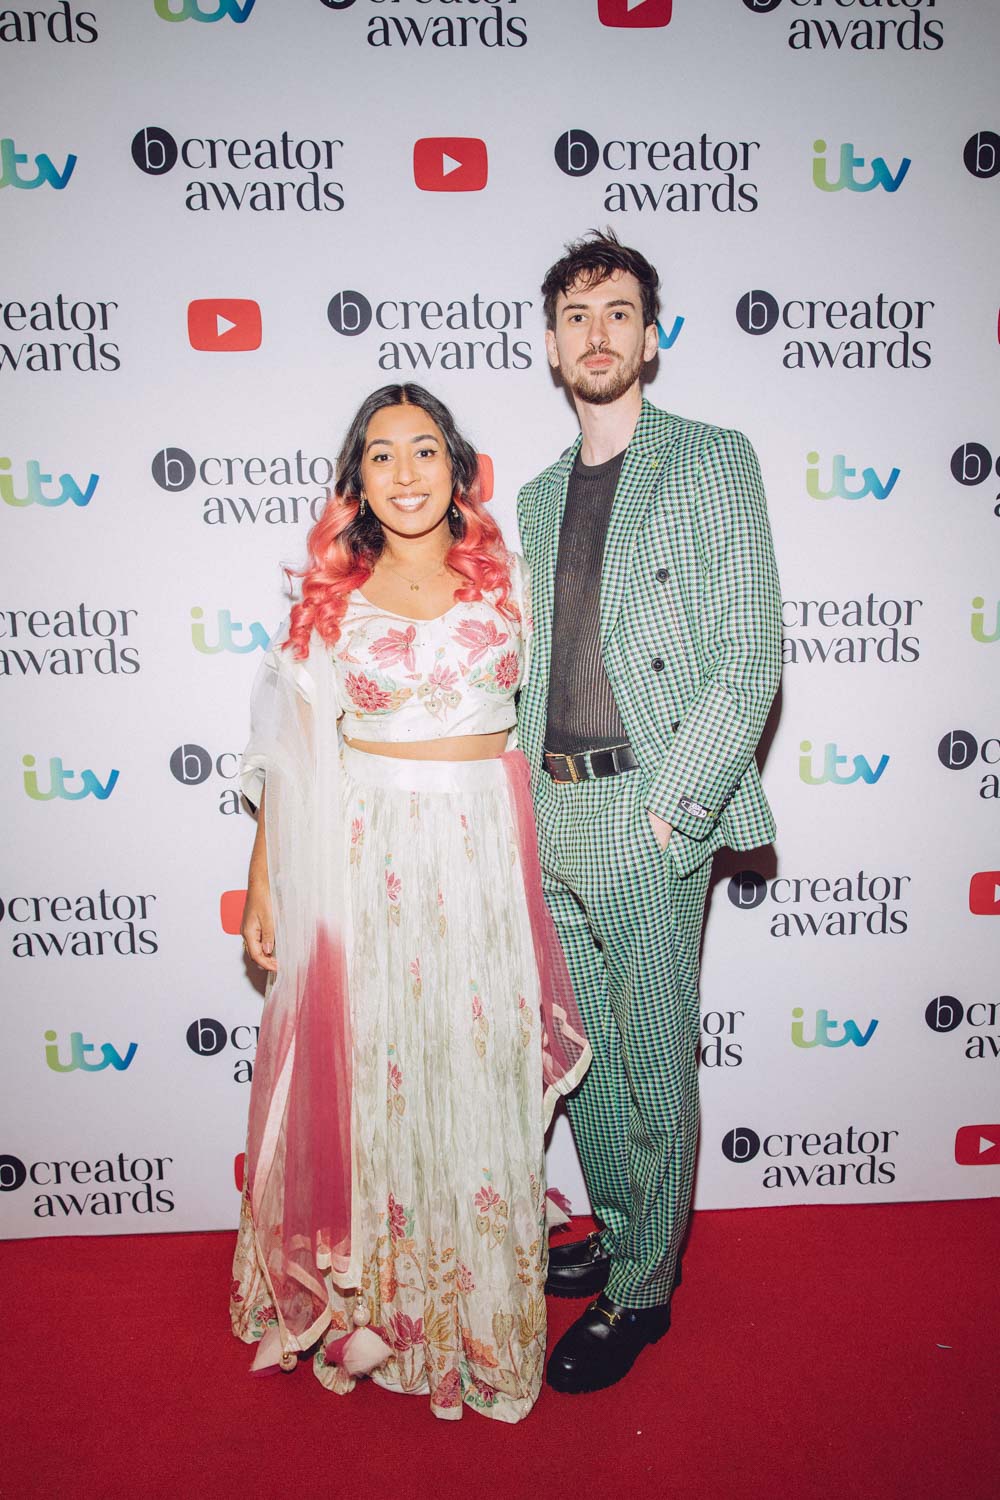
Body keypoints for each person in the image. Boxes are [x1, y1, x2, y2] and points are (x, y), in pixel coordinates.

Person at [229, 383, 589, 1424]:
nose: (404, 472)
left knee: (475, 1072)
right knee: (383, 1077)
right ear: (356, 482)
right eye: (380, 455)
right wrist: (264, 886)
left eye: (423, 450)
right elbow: (290, 765)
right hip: (372, 857)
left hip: (482, 850)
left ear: (456, 464)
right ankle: (385, 1304)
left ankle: (479, 1314)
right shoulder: (332, 600)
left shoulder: (510, 582)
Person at [516, 231, 781, 1394]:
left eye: (618, 313)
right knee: (591, 1062)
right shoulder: (528, 500)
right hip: (549, 813)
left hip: (646, 806)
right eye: (576, 317)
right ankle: (620, 1232)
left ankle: (645, 1294)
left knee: (652, 1055)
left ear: (651, 337)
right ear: (550, 347)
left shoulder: (712, 462)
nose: (597, 335)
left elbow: (750, 655)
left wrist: (674, 816)